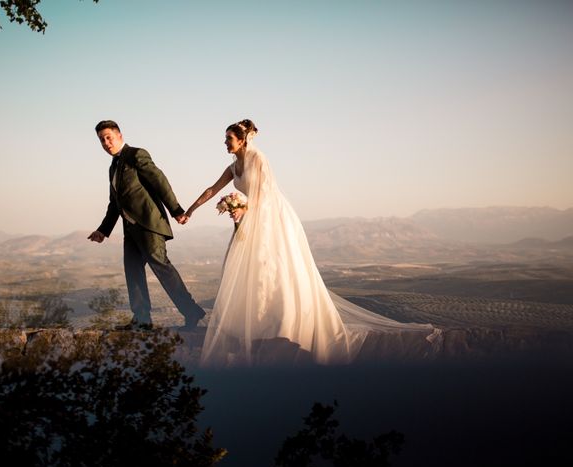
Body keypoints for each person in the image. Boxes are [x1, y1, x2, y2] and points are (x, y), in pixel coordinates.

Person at [180, 119, 441, 366]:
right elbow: (212, 189)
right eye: (225, 139)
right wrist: (190, 211)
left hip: (271, 217)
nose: (225, 143)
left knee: (273, 267)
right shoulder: (232, 168)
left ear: (242, 140)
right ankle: (257, 324)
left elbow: (263, 193)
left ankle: (284, 325)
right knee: (247, 269)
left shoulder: (258, 159)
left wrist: (245, 209)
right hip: (249, 218)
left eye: (228, 138)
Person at [88, 120, 205, 331]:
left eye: (108, 137)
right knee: (132, 271)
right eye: (101, 140)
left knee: (162, 268)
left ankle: (192, 311)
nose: (106, 143)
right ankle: (142, 319)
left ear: (119, 136)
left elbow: (159, 181)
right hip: (130, 229)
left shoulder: (136, 155)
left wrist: (176, 210)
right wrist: (103, 231)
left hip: (149, 225)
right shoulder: (112, 167)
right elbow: (115, 203)